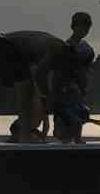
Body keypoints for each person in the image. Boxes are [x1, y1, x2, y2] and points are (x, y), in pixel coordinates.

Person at [36, 12, 96, 144]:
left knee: (79, 117)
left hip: (77, 92)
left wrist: (83, 87)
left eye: (87, 27)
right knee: (63, 127)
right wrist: (49, 94)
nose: (84, 30)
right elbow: (46, 70)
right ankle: (63, 140)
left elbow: (84, 71)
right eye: (81, 26)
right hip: (61, 91)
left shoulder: (87, 49)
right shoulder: (61, 47)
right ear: (73, 26)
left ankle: (77, 140)